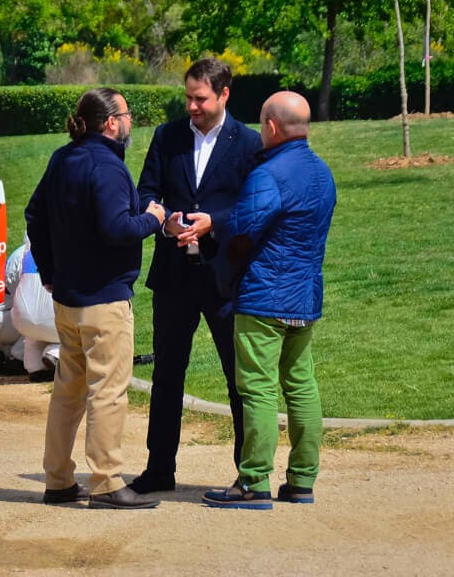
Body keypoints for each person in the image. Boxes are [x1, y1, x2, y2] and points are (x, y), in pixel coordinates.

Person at [25, 87, 166, 510]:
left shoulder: (63, 159)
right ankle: (105, 481)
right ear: (110, 122)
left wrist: (49, 272)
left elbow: (35, 216)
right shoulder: (106, 166)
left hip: (67, 299)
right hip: (104, 300)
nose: (130, 121)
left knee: (68, 391)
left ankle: (58, 480)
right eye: (126, 114)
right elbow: (117, 228)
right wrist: (153, 219)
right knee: (108, 390)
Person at [131, 57, 263, 494]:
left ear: (224, 95)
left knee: (237, 377)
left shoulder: (248, 143)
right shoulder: (167, 137)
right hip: (173, 276)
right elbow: (145, 192)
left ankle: (247, 473)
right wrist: (165, 219)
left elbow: (255, 205)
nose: (191, 106)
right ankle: (159, 469)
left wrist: (215, 222)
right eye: (187, 96)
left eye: (199, 98)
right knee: (167, 375)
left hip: (225, 277)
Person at [202, 91, 336, 510]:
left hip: (263, 298)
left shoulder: (269, 174)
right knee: (301, 385)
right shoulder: (322, 172)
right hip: (305, 297)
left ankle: (254, 481)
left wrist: (225, 273)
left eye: (262, 124)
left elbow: (241, 234)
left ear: (273, 127)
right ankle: (301, 481)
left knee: (257, 388)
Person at [0, 239, 59, 380]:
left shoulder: (22, 252)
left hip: (1, 317)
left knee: (34, 322)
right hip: (5, 317)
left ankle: (27, 361)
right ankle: (18, 356)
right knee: (46, 318)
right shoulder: (60, 248)